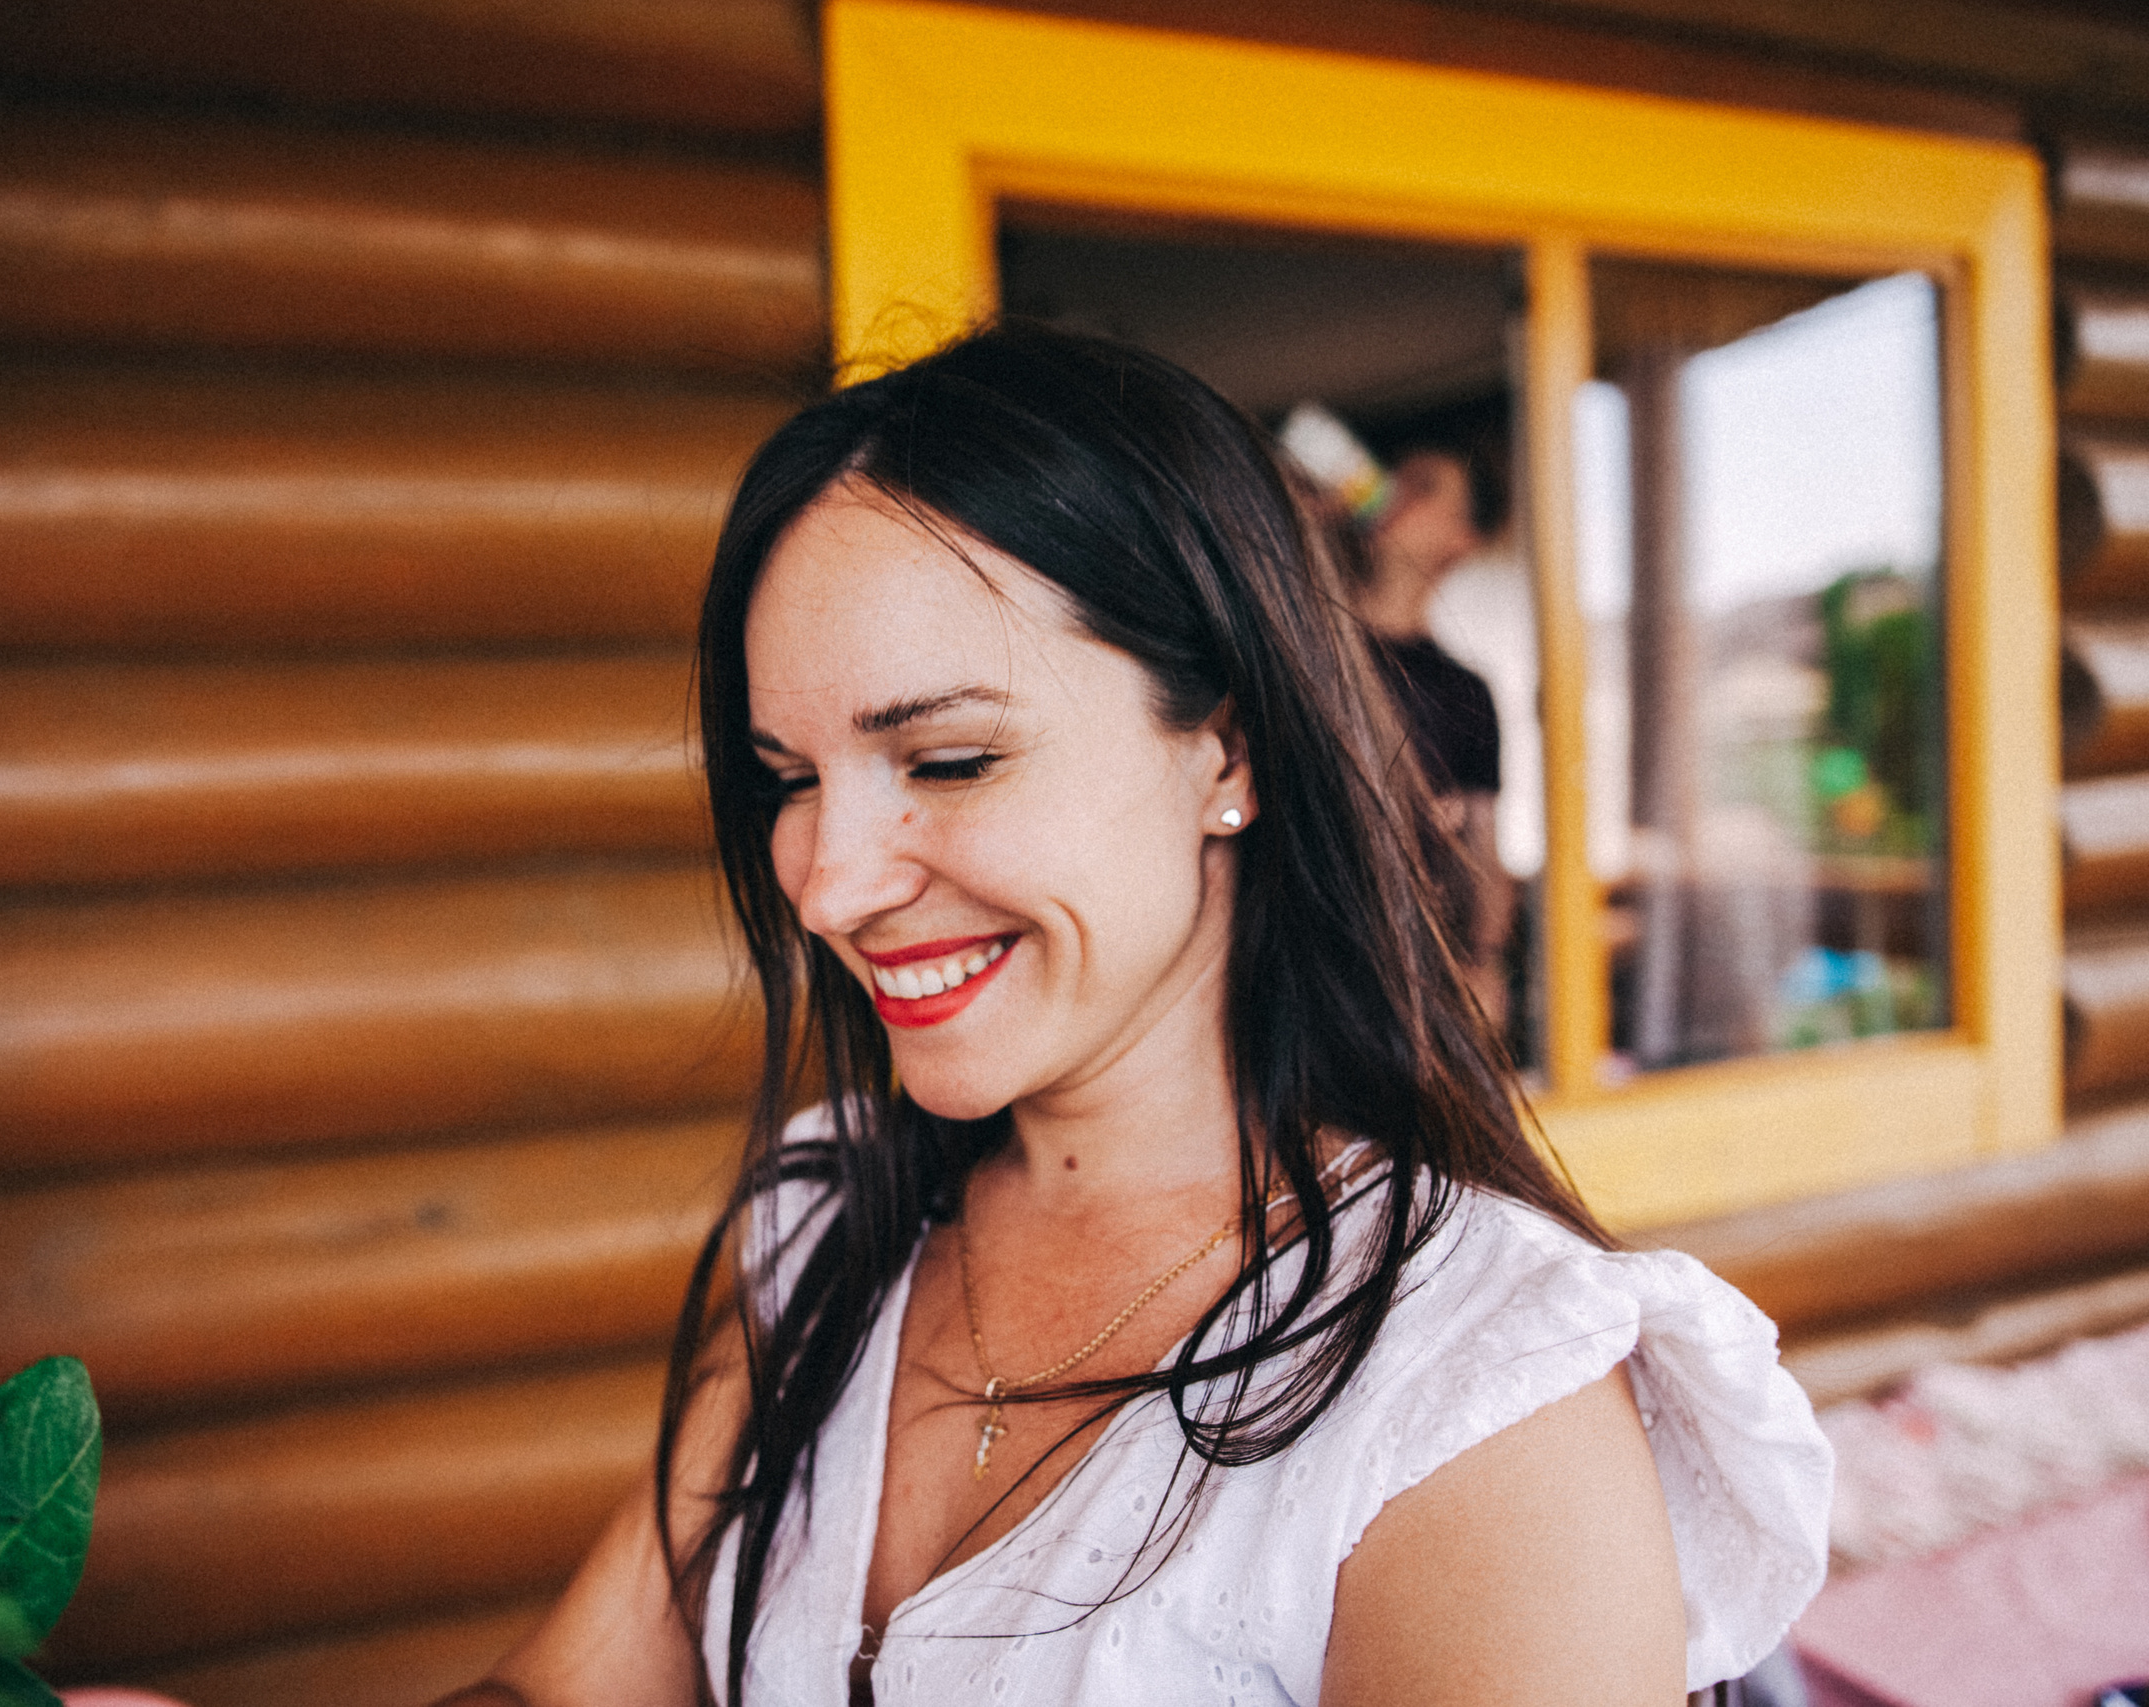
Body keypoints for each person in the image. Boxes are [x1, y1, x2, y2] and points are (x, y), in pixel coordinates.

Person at [442, 325, 1828, 1707]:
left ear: (1226, 750)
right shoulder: (840, 1224)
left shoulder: (1471, 1394)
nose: (828, 885)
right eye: (789, 779)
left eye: (950, 759)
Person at [1354, 413, 1518, 1027]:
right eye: (1398, 476)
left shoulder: (1465, 692)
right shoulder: (1304, 654)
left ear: (1462, 539)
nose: (1396, 492)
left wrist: (1485, 966)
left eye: (1424, 487)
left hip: (1413, 985)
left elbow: (1483, 847)